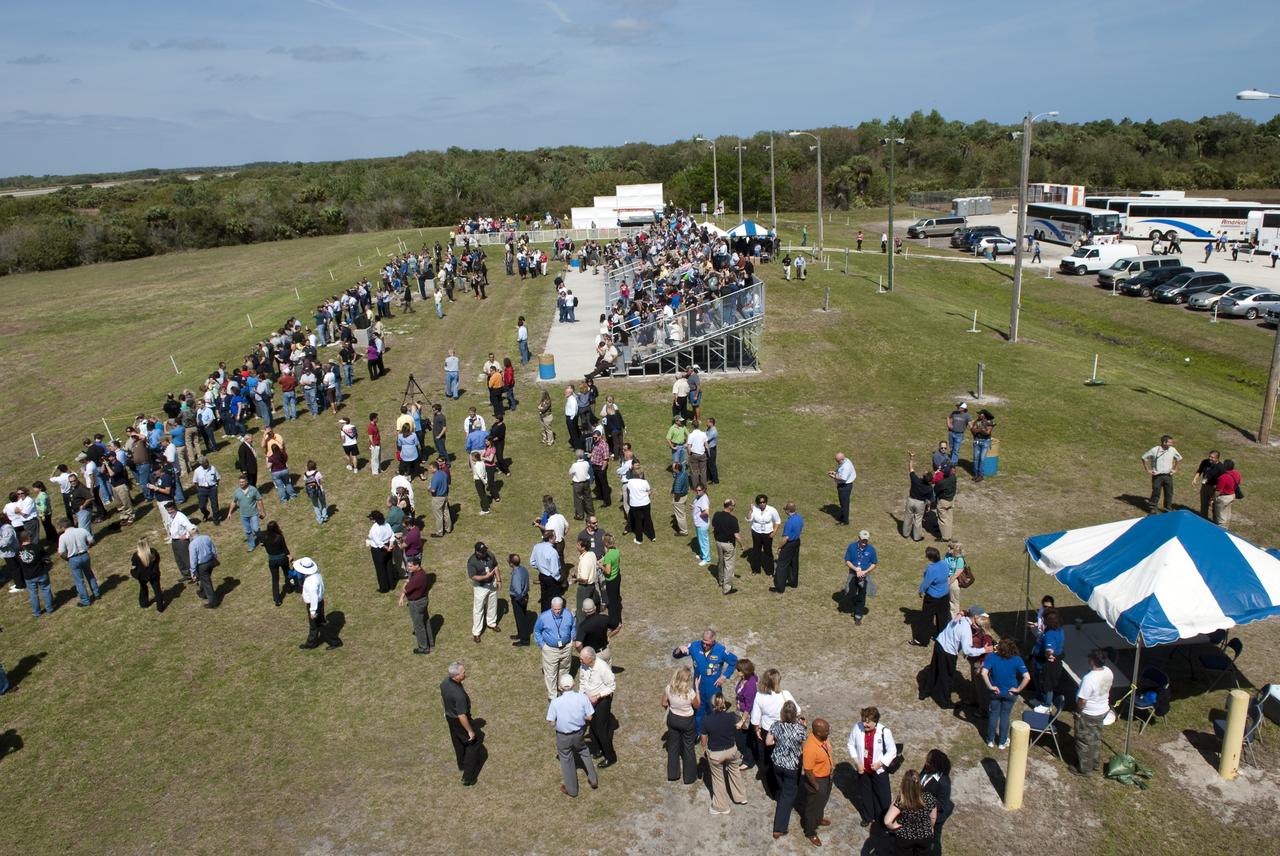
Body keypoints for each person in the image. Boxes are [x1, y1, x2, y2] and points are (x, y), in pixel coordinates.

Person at [923, 606, 993, 710]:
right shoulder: (966, 630)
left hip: (939, 644)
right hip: (948, 652)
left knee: (934, 670)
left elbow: (960, 616)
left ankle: (925, 692)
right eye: (981, 617)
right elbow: (967, 651)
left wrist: (961, 613)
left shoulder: (959, 618)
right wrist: (984, 650)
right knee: (947, 677)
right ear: (975, 617)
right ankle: (945, 702)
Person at [673, 628, 738, 733]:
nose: (705, 646)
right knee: (698, 709)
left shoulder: (721, 650)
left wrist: (724, 676)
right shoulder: (694, 646)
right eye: (703, 643)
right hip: (698, 685)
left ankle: (713, 731)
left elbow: (733, 661)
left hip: (713, 686)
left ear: (714, 641)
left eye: (708, 644)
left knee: (714, 709)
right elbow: (676, 655)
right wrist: (679, 649)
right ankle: (699, 731)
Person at [547, 672, 598, 797]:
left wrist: (555, 724)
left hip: (563, 736)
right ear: (573, 685)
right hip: (579, 732)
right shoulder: (582, 698)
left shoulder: (555, 702)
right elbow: (590, 717)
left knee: (566, 760)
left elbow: (551, 722)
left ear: (560, 687)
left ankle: (572, 790)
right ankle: (593, 779)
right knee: (584, 751)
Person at [751, 668, 800, 793]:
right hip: (785, 730)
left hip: (768, 731)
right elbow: (798, 710)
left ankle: (773, 789)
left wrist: (757, 729)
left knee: (769, 760)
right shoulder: (785, 694)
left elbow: (755, 719)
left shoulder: (759, 696)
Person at [848, 706, 896, 829]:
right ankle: (867, 816)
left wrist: (880, 763)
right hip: (863, 770)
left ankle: (884, 818)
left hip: (878, 770)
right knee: (865, 794)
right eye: (864, 721)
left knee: (883, 796)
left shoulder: (885, 732)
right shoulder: (857, 728)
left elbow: (892, 751)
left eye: (868, 722)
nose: (865, 724)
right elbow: (850, 744)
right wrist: (856, 761)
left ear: (876, 721)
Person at [766, 701, 807, 840]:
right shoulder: (800, 729)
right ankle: (779, 827)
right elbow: (803, 746)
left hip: (777, 762)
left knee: (783, 788)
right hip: (791, 766)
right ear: (796, 714)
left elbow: (768, 742)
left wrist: (780, 743)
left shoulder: (776, 725)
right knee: (788, 794)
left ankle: (783, 799)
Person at [702, 692, 748, 814]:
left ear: (712, 704)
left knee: (718, 779)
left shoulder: (706, 720)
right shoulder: (732, 716)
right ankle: (741, 797)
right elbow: (743, 727)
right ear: (724, 704)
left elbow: (704, 740)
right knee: (735, 771)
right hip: (732, 751)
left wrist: (705, 750)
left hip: (716, 754)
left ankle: (721, 807)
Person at [982, 638, 1030, 749]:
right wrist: (1018, 689)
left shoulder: (992, 657)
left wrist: (990, 686)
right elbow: (1027, 677)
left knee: (993, 714)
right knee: (1005, 716)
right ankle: (1002, 742)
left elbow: (984, 673)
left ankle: (990, 740)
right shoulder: (1017, 659)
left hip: (995, 691)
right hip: (1010, 693)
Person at [440, 661, 483, 786]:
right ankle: (468, 778)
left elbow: (442, 697)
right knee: (473, 744)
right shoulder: (458, 695)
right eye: (463, 672)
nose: (465, 674)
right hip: (458, 720)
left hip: (450, 718)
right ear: (456, 676)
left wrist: (445, 711)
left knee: (457, 741)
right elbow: (462, 716)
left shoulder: (444, 683)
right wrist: (470, 731)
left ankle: (461, 764)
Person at [1073, 648, 1114, 777]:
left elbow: (1082, 700)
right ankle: (1094, 763)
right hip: (1103, 710)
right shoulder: (1108, 671)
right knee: (1096, 738)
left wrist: (1078, 712)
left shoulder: (1089, 678)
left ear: (1092, 661)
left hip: (1089, 713)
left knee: (1084, 741)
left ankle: (1084, 768)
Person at [578, 645, 617, 767]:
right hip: (589, 700)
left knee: (601, 730)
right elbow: (582, 682)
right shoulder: (584, 665)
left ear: (590, 659)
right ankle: (598, 749)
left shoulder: (602, 668)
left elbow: (612, 686)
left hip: (602, 701)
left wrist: (598, 696)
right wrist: (581, 697)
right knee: (593, 726)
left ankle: (611, 757)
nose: (580, 660)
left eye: (582, 658)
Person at [884, 771, 939, 855]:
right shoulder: (929, 797)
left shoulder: (901, 800)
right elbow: (933, 817)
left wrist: (894, 826)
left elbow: (887, 821)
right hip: (924, 835)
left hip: (905, 836)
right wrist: (930, 828)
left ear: (904, 784)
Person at [662, 665, 700, 784]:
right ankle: (689, 777)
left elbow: (663, 703)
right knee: (688, 747)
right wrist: (697, 689)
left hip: (673, 719)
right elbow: (697, 705)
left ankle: (673, 774)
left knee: (673, 747)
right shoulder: (690, 692)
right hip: (687, 721)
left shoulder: (669, 688)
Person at [800, 718, 834, 845]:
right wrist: (816, 785)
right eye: (826, 730)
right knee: (812, 807)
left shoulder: (823, 738)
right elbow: (808, 770)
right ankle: (810, 832)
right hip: (818, 780)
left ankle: (818, 819)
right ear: (818, 732)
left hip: (827, 776)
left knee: (821, 803)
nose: (829, 731)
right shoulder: (810, 748)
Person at [535, 597, 576, 700]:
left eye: (559, 609)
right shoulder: (543, 617)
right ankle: (552, 696)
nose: (557, 611)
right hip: (550, 649)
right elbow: (537, 631)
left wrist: (571, 640)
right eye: (555, 609)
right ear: (551, 607)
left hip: (566, 647)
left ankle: (562, 688)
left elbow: (573, 626)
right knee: (550, 673)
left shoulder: (568, 614)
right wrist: (542, 645)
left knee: (565, 668)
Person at [56, 520, 100, 607]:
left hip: (73, 558)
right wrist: (87, 547)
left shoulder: (63, 537)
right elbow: (92, 541)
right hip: (85, 555)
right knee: (90, 575)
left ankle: (85, 601)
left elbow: (61, 552)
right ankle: (97, 593)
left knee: (79, 581)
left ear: (63, 527)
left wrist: (67, 559)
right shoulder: (82, 530)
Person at [1030, 608, 1065, 711]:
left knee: (1046, 684)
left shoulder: (1050, 634)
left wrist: (1049, 654)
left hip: (1043, 662)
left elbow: (1049, 649)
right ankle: (1039, 698)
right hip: (1038, 659)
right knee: (1037, 679)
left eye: (1043, 618)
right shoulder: (1057, 629)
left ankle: (1046, 704)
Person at [915, 547, 951, 645]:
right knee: (943, 617)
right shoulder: (944, 563)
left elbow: (926, 582)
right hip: (945, 594)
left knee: (926, 618)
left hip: (933, 597)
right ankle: (942, 637)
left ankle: (921, 640)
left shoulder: (931, 568)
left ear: (930, 558)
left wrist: (921, 591)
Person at [399, 557, 434, 654]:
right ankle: (430, 642)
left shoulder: (416, 579)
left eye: (410, 566)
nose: (408, 568)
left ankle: (423, 648)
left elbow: (405, 589)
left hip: (416, 603)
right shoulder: (422, 573)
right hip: (423, 600)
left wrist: (406, 582)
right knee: (426, 621)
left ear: (417, 565)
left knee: (419, 626)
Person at [467, 541, 500, 642]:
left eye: (485, 551)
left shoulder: (490, 554)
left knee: (493, 604)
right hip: (480, 587)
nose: (486, 553)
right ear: (477, 552)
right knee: (478, 609)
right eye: (483, 552)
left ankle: (492, 623)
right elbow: (473, 576)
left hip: (492, 584)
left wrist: (499, 580)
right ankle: (476, 633)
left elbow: (495, 566)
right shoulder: (472, 561)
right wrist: (485, 577)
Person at [1141, 434, 1182, 514]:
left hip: (1168, 475)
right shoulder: (1154, 450)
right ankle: (1153, 508)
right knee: (1156, 492)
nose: (1172, 444)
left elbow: (1179, 458)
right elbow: (1144, 457)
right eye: (1170, 442)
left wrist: (1175, 469)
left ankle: (1167, 508)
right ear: (1164, 442)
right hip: (1157, 476)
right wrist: (1147, 469)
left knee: (1169, 492)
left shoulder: (1173, 450)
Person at [844, 530, 878, 625]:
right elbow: (847, 561)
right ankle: (854, 601)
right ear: (858, 538)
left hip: (864, 576)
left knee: (862, 595)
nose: (864, 543)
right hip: (853, 574)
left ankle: (858, 615)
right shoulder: (852, 547)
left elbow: (874, 563)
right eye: (863, 540)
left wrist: (865, 571)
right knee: (850, 592)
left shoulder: (871, 549)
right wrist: (856, 569)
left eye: (866, 540)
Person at [711, 498, 744, 595]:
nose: (734, 507)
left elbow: (714, 527)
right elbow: (736, 535)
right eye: (734, 505)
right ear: (730, 506)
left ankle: (721, 581)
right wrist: (742, 545)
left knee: (721, 562)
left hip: (718, 543)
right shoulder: (733, 519)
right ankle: (727, 588)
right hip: (728, 545)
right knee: (729, 566)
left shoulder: (716, 515)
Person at [747, 493, 780, 577]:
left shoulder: (772, 509)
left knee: (768, 551)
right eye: (760, 502)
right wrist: (750, 510)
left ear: (766, 502)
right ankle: (755, 569)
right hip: (756, 532)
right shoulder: (754, 508)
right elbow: (749, 519)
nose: (762, 504)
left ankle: (769, 571)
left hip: (768, 533)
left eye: (764, 502)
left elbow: (777, 521)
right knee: (756, 551)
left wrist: (774, 532)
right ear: (757, 503)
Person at [261, 520, 293, 606]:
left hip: (272, 560)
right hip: (282, 559)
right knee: (287, 573)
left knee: (275, 580)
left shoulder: (265, 537)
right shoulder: (279, 537)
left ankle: (277, 599)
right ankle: (289, 587)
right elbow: (285, 548)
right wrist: (289, 556)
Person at [773, 501, 802, 592]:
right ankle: (793, 582)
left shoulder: (789, 522)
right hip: (796, 542)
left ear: (788, 510)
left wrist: (779, 547)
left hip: (789, 544)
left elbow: (785, 538)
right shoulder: (799, 517)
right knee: (793, 563)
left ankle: (780, 588)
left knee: (782, 565)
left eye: (785, 509)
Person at [903, 452, 932, 541]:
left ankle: (905, 533)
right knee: (918, 521)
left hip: (911, 501)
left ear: (923, 476)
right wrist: (929, 506)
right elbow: (929, 499)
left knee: (908, 517)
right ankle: (916, 537)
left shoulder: (915, 480)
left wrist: (911, 458)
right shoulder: (929, 488)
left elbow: (911, 468)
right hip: (920, 504)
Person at [187, 525, 219, 606]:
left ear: (190, 534)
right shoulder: (206, 537)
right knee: (205, 579)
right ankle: (203, 593)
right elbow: (213, 549)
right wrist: (214, 558)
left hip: (202, 565)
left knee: (207, 583)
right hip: (211, 562)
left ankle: (213, 603)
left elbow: (193, 560)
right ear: (198, 530)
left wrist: (193, 572)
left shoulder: (192, 544)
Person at [366, 510, 396, 593]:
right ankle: (391, 584)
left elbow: (378, 542)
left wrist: (387, 548)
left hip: (378, 551)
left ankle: (384, 588)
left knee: (380, 569)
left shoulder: (374, 529)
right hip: (388, 546)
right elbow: (392, 535)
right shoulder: (387, 524)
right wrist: (390, 545)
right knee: (389, 565)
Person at [507, 552, 532, 647]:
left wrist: (518, 598)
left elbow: (517, 589)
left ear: (511, 563)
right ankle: (520, 634)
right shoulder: (523, 569)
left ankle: (524, 640)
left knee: (520, 619)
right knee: (521, 617)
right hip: (525, 596)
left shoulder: (516, 573)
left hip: (519, 598)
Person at [624, 466, 655, 543]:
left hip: (635, 504)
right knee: (648, 519)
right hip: (645, 503)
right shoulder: (645, 482)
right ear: (640, 475)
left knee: (638, 522)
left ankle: (639, 539)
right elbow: (648, 491)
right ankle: (652, 536)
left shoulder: (630, 482)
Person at [1192, 450, 1223, 519]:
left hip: (1214, 489)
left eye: (1212, 457)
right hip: (1205, 486)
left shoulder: (1221, 468)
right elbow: (1200, 470)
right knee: (1204, 505)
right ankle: (1203, 519)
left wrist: (1217, 491)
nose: (1210, 458)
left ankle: (1215, 522)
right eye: (1209, 456)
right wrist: (1195, 478)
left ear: (1217, 458)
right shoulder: (1205, 462)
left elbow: (1223, 481)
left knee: (1214, 507)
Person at [828, 452, 857, 525]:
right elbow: (840, 469)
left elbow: (843, 478)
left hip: (845, 487)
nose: (837, 462)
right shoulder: (845, 460)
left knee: (844, 504)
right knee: (842, 503)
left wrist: (834, 476)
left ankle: (845, 521)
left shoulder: (846, 467)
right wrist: (835, 472)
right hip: (844, 486)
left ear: (842, 459)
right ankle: (843, 516)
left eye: (837, 461)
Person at [1213, 459, 1242, 527]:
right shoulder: (1237, 473)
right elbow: (1238, 483)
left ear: (1224, 467)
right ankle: (1227, 528)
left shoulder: (1223, 477)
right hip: (1232, 496)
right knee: (1227, 515)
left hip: (1224, 498)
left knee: (1221, 518)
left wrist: (1213, 498)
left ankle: (1221, 532)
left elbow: (1218, 491)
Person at [970, 409, 995, 482]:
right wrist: (980, 430)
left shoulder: (990, 422)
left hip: (985, 442)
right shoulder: (976, 421)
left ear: (984, 415)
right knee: (975, 458)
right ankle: (976, 474)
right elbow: (972, 430)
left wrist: (978, 430)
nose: (978, 415)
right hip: (976, 441)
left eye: (979, 414)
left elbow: (987, 432)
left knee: (982, 459)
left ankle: (981, 475)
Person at [944, 403, 969, 468]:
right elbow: (948, 417)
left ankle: (953, 463)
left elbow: (970, 422)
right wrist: (949, 424)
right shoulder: (954, 412)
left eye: (959, 407)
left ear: (964, 409)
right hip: (951, 433)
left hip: (959, 434)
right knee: (952, 447)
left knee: (956, 449)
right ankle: (953, 460)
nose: (958, 408)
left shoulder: (967, 415)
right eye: (958, 407)